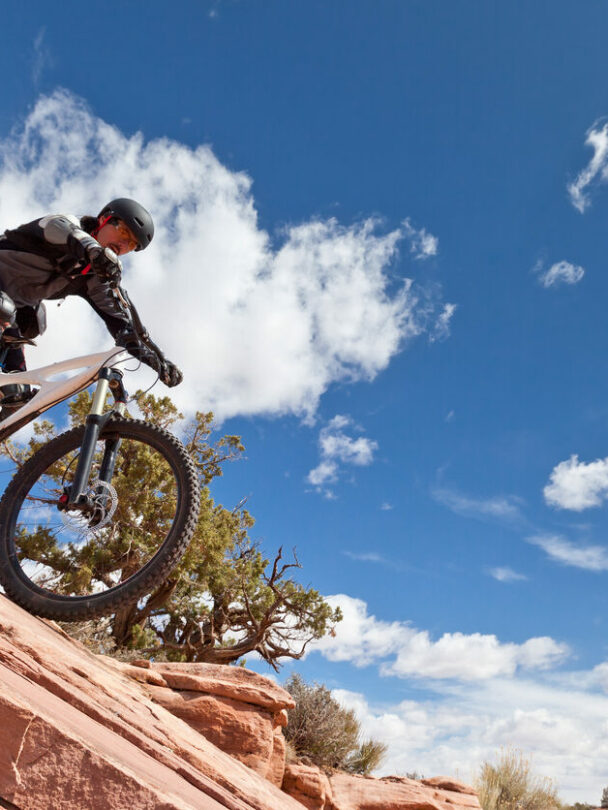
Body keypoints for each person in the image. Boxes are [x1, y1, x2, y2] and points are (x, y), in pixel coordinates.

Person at [0, 198, 182, 413]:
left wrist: (158, 364)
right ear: (104, 219)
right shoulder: (65, 225)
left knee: (18, 396)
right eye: (124, 232)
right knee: (5, 308)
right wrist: (93, 250)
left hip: (8, 318)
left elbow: (125, 329)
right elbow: (63, 230)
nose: (123, 245)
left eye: (131, 244)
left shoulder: (92, 277)